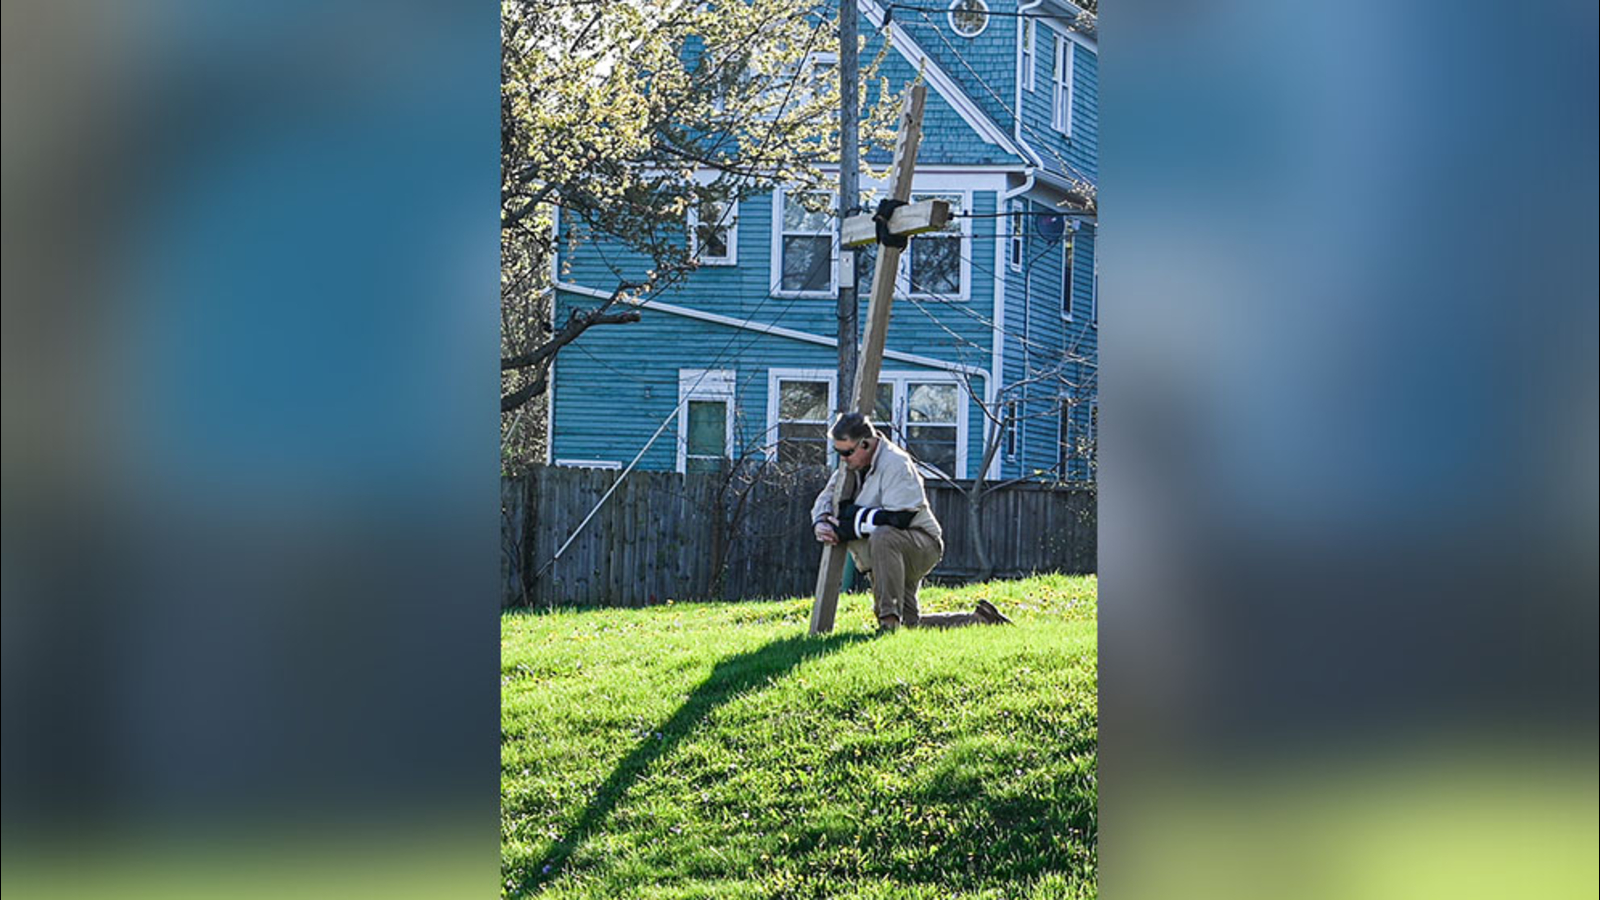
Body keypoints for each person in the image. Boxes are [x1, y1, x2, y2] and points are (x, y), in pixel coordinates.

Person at [811, 412, 1012, 632]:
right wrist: (822, 522)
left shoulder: (896, 463)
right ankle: (981, 620)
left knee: (884, 537)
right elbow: (827, 497)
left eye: (847, 452)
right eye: (838, 452)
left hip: (920, 544)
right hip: (884, 554)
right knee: (911, 625)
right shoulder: (850, 467)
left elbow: (900, 518)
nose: (843, 458)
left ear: (866, 444)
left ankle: (888, 623)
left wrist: (849, 526)